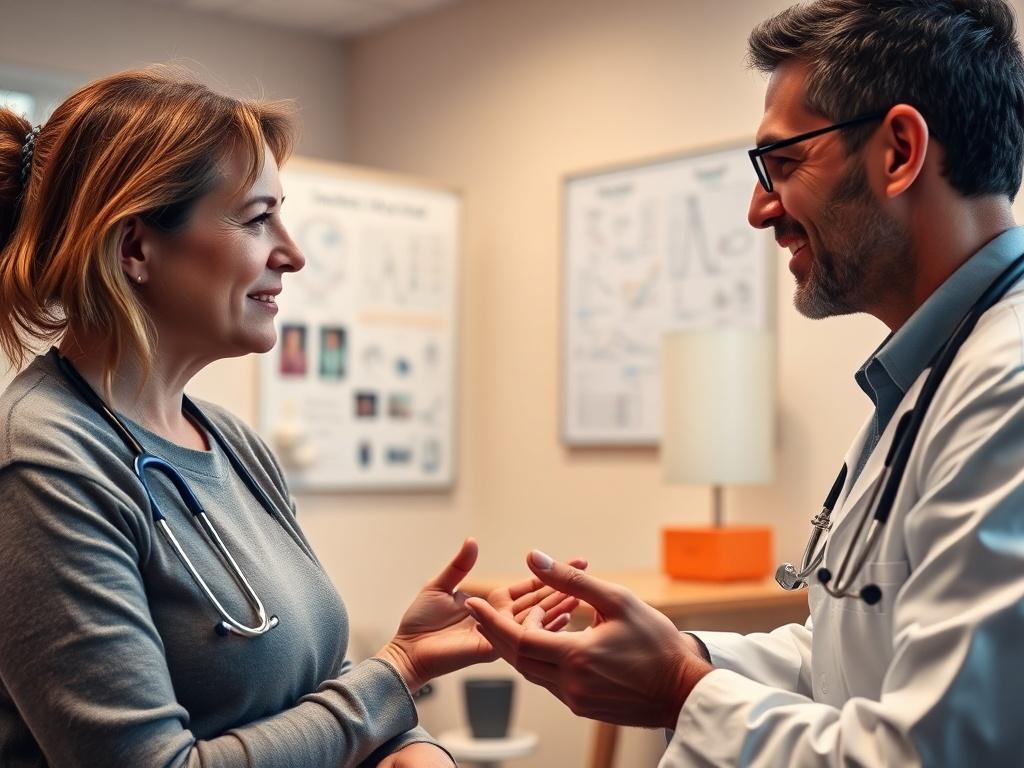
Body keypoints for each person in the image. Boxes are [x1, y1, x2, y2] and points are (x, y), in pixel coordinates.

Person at [465, 1, 1024, 764]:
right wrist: (677, 651)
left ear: (898, 151)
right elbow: (850, 664)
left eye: (782, 163)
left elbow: (939, 751)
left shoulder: (1008, 384)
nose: (760, 209)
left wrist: (679, 689)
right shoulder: (927, 377)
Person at [0, 68, 579, 768]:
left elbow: (325, 692)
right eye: (256, 218)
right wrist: (399, 670)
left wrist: (414, 749)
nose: (293, 254)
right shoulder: (41, 462)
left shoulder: (233, 445)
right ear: (135, 249)